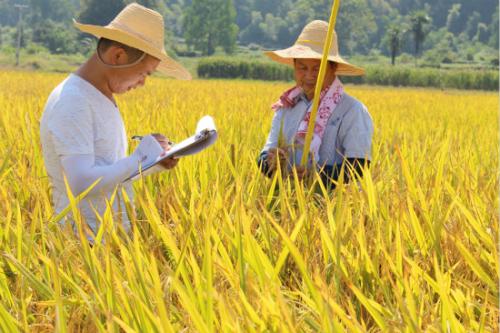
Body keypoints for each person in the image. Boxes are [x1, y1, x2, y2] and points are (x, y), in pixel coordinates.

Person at [40, 3, 191, 240]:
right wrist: (140, 159)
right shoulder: (73, 101)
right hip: (84, 248)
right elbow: (81, 182)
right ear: (118, 56)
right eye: (145, 73)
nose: (143, 83)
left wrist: (154, 163)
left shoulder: (100, 97)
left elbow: (109, 171)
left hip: (109, 243)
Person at [258, 20, 374, 189]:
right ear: (294, 67)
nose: (309, 76)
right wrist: (270, 163)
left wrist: (314, 176)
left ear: (333, 68)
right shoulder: (286, 107)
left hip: (334, 207)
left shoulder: (352, 110)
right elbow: (265, 155)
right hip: (287, 205)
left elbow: (358, 167)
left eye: (317, 69)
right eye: (302, 68)